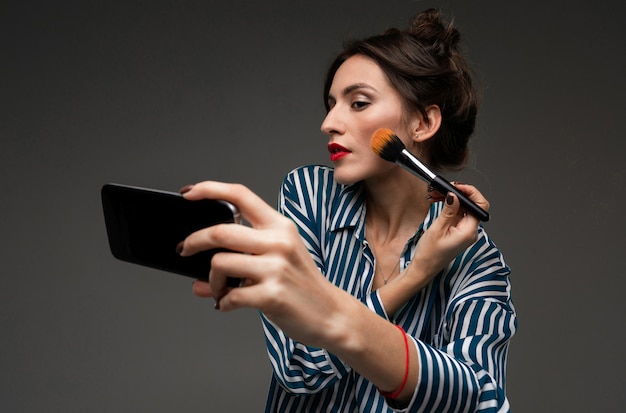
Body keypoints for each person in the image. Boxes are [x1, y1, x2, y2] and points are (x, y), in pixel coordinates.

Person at [179, 8, 517, 412]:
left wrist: (337, 312)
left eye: (357, 103)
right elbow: (298, 368)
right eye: (330, 104)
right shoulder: (310, 196)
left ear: (424, 122)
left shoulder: (476, 263)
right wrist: (415, 275)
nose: (329, 122)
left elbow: (478, 401)